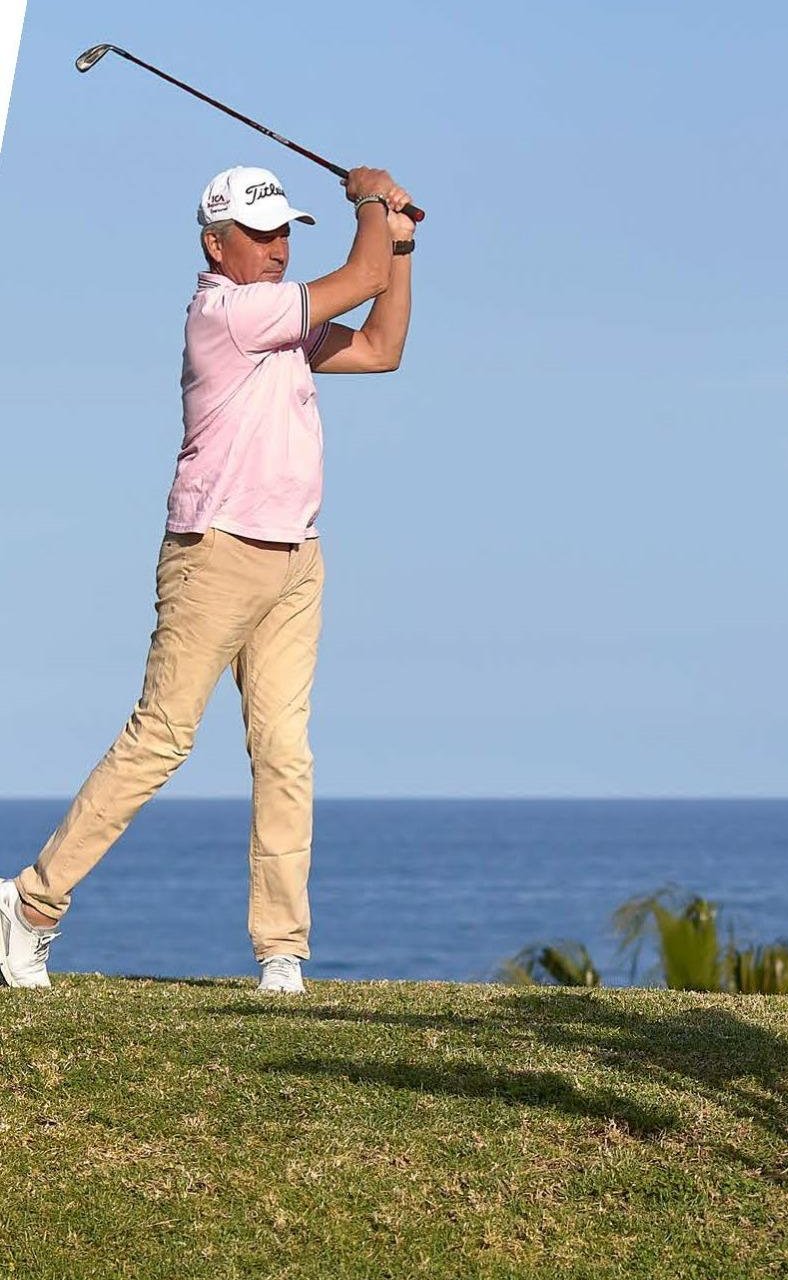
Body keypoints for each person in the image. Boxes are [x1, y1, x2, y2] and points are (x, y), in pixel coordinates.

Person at [0, 163, 416, 994]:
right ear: (214, 244)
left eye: (283, 231)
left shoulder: (283, 322)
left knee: (286, 753)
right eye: (259, 234)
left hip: (296, 557)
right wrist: (372, 198)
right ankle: (28, 907)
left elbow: (380, 348)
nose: (277, 247)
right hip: (216, 552)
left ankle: (282, 953)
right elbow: (358, 276)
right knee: (161, 738)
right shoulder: (228, 313)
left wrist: (399, 241)